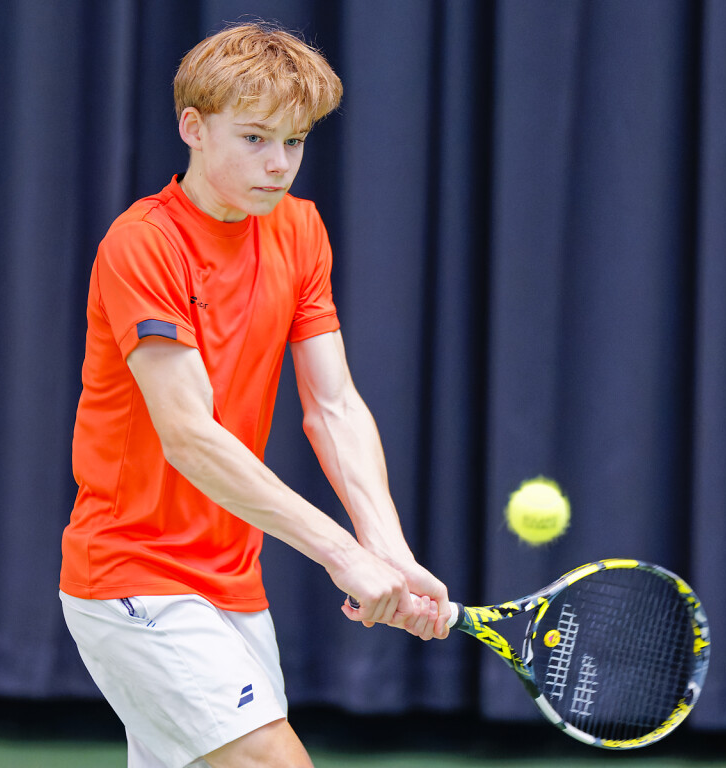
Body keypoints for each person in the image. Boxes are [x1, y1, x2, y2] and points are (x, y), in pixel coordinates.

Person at [59, 21, 450, 768]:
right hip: (133, 577)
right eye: (255, 139)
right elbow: (189, 435)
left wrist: (389, 550)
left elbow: (333, 406)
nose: (280, 165)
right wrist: (341, 553)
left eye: (296, 141)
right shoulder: (143, 245)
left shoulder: (300, 231)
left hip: (234, 585)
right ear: (193, 129)